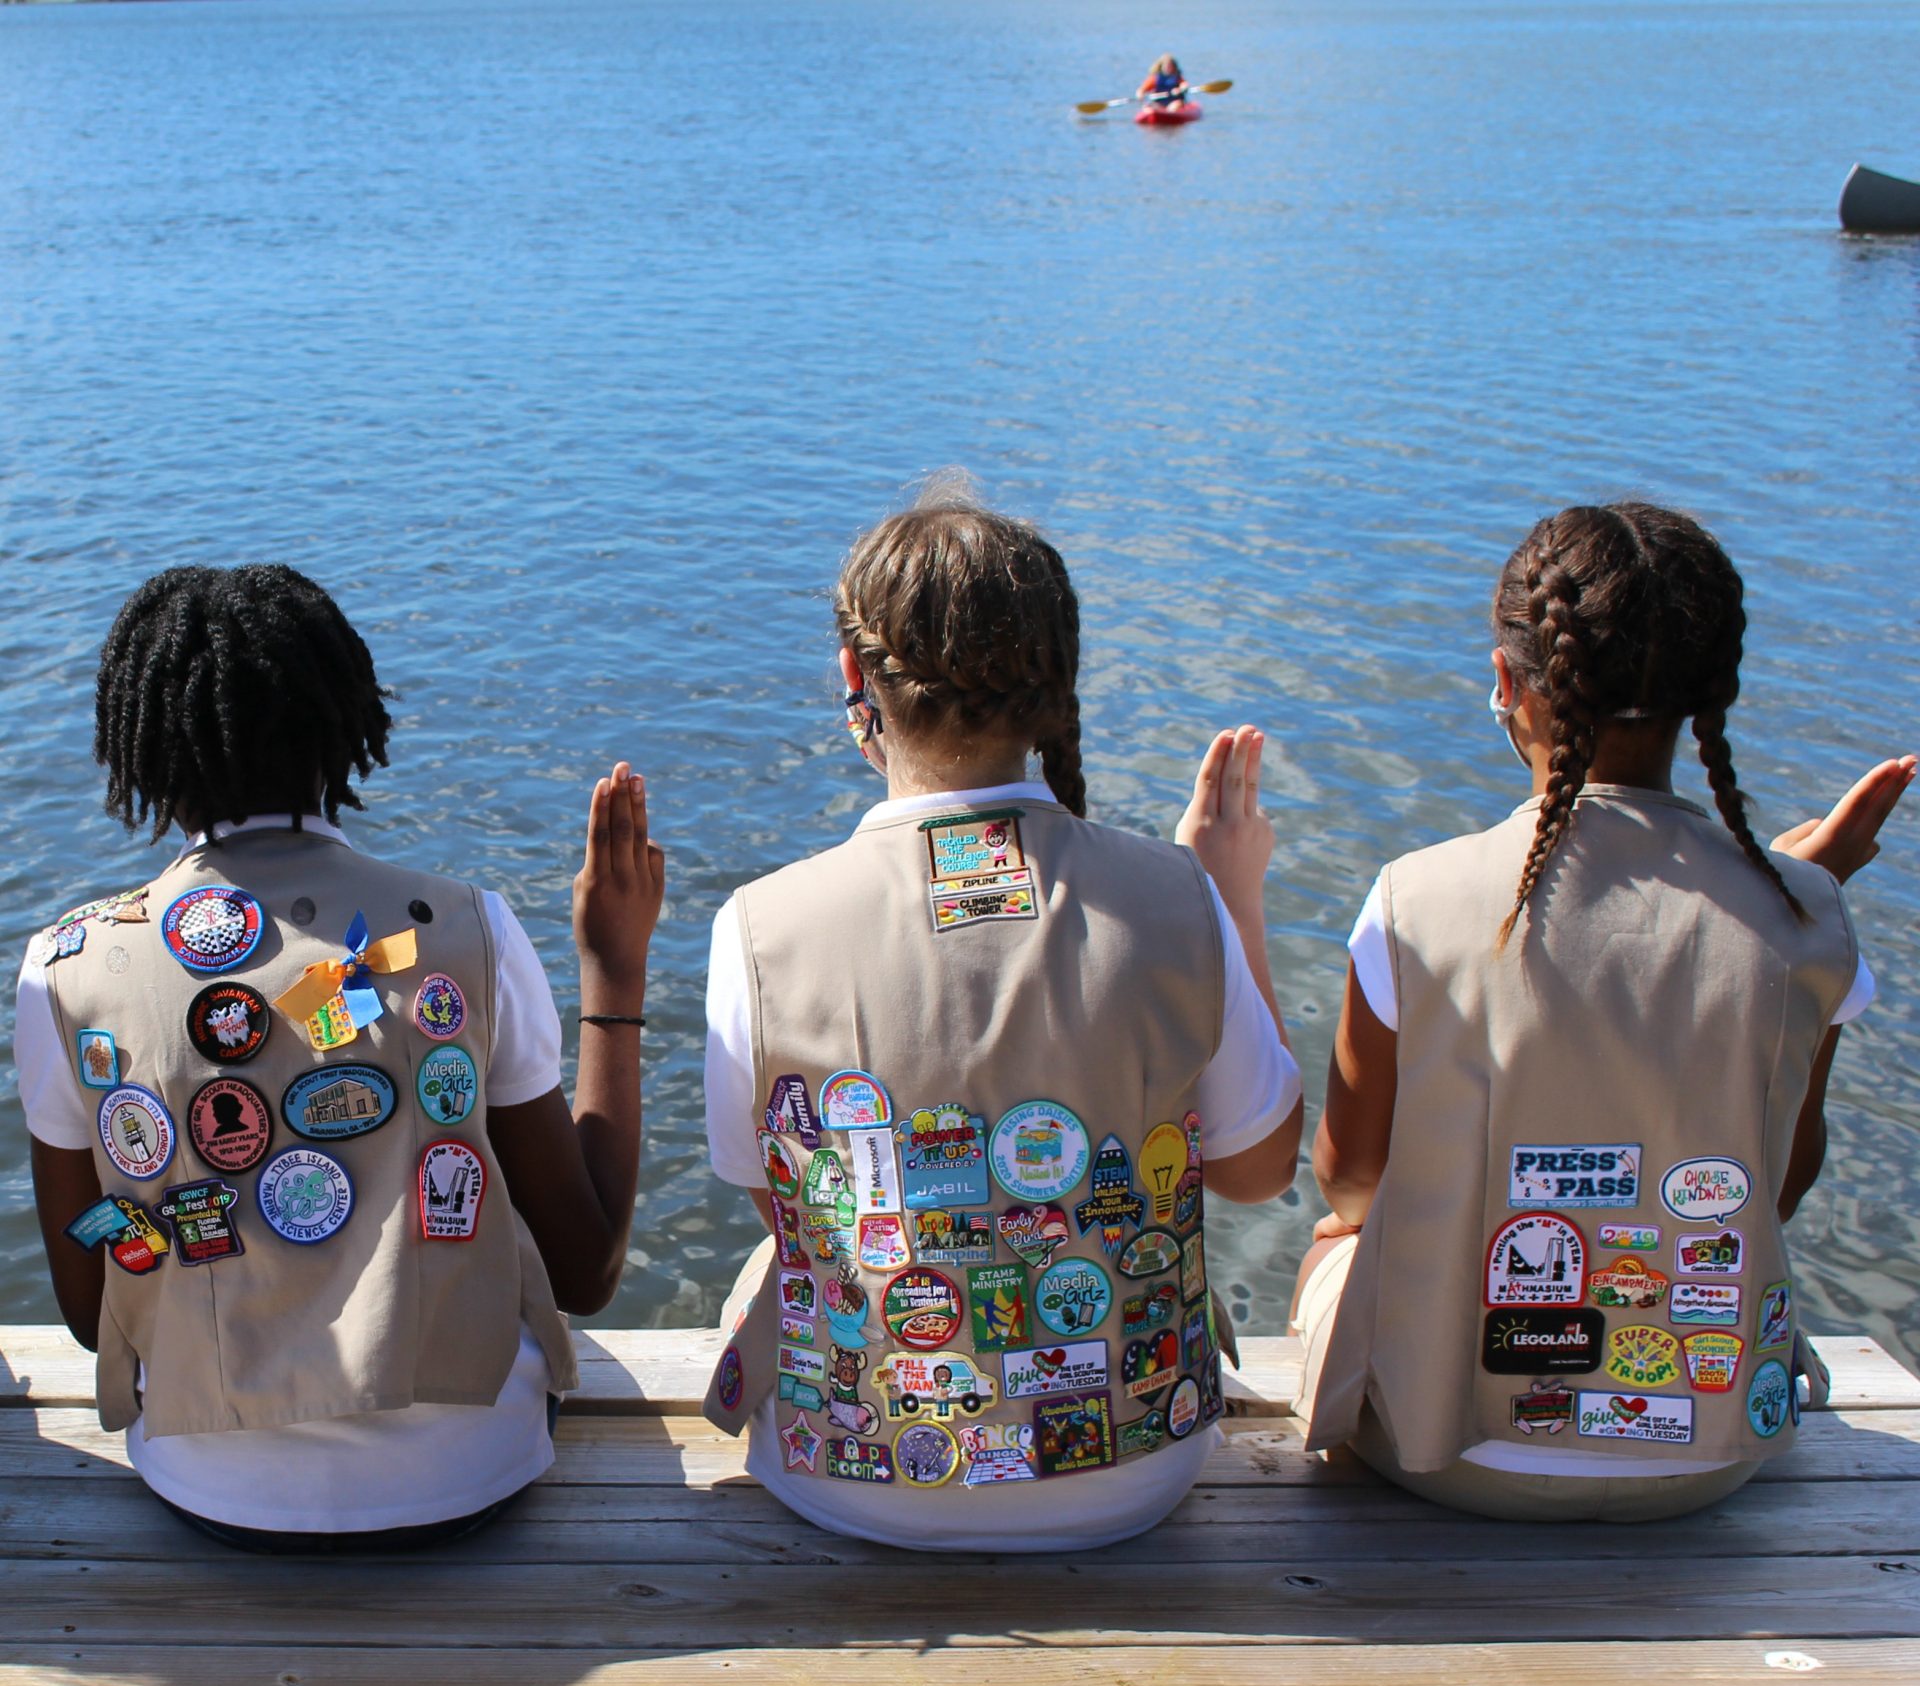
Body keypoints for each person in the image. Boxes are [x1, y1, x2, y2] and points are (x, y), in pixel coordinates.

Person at [700, 481, 1303, 1551]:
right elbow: (1259, 1176)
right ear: (1056, 686)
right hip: (1139, 1469)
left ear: (856, 679)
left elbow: (785, 1208)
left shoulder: (762, 927)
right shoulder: (1175, 896)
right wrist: (1232, 899)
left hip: (852, 1479)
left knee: (782, 1248)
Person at [15, 564, 664, 1550]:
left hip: (208, 1483)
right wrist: (614, 973)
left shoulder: (65, 968)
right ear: (346, 728)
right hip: (474, 1471)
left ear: (137, 748)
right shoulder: (466, 929)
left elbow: (84, 1304)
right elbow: (587, 1271)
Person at [1293, 503, 1913, 1521]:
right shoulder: (1806, 918)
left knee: (1335, 1239)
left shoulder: (1416, 897)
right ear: (1713, 697)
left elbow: (1352, 1180)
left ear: (1509, 683)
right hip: (1711, 1456)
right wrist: (1797, 897)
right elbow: (1776, 1187)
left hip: (1445, 1454)